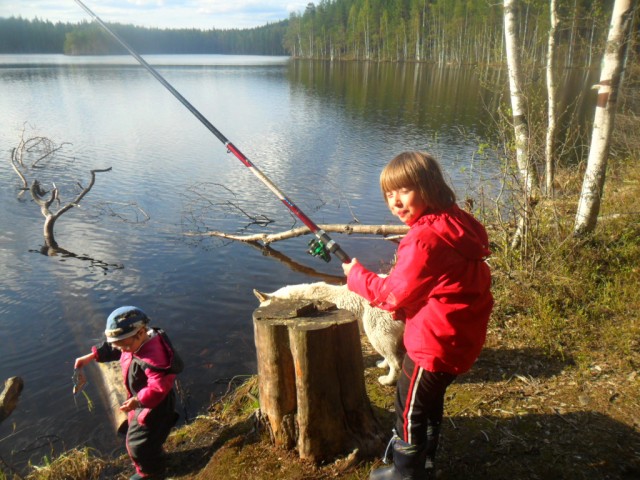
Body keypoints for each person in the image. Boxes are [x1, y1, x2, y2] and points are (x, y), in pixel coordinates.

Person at [342, 151, 493, 479]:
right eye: (388, 195)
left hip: (433, 343)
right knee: (427, 404)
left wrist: (356, 276)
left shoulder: (423, 239)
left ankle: (405, 472)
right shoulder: (458, 222)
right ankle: (425, 463)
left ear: (429, 187)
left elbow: (391, 293)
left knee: (408, 408)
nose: (395, 202)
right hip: (459, 337)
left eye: (404, 191)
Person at [74, 306, 181, 480]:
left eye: (125, 346)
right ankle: (155, 456)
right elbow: (113, 348)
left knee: (137, 444)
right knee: (144, 437)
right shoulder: (132, 342)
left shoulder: (155, 358)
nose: (122, 350)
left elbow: (158, 387)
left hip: (154, 405)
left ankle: (151, 472)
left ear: (141, 332)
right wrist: (91, 357)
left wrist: (138, 400)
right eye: (119, 346)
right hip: (139, 400)